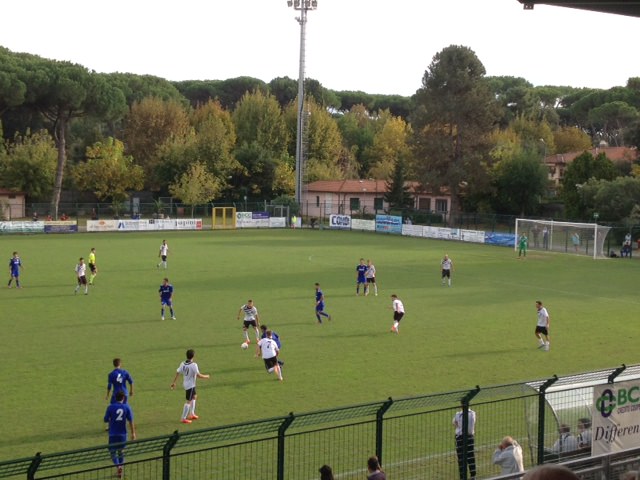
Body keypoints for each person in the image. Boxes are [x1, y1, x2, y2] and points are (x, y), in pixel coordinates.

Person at [170, 348, 210, 424]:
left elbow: (178, 372)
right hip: (190, 386)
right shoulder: (194, 365)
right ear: (193, 356)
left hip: (187, 384)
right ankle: (183, 418)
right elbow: (198, 376)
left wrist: (174, 382)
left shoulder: (182, 363)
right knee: (188, 401)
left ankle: (192, 414)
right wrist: (206, 376)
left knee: (194, 396)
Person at [104, 391, 136, 479]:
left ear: (115, 398)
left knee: (112, 452)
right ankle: (121, 467)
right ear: (123, 398)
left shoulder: (110, 407)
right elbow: (131, 421)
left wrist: (111, 419)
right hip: (123, 434)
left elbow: (105, 419)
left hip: (113, 434)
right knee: (121, 451)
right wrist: (133, 433)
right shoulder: (127, 407)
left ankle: (118, 466)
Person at [453, 406, 477, 480]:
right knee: (471, 457)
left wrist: (459, 427)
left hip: (460, 438)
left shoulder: (458, 414)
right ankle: (473, 476)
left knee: (461, 458)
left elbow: (454, 423)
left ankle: (463, 477)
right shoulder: (473, 413)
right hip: (470, 437)